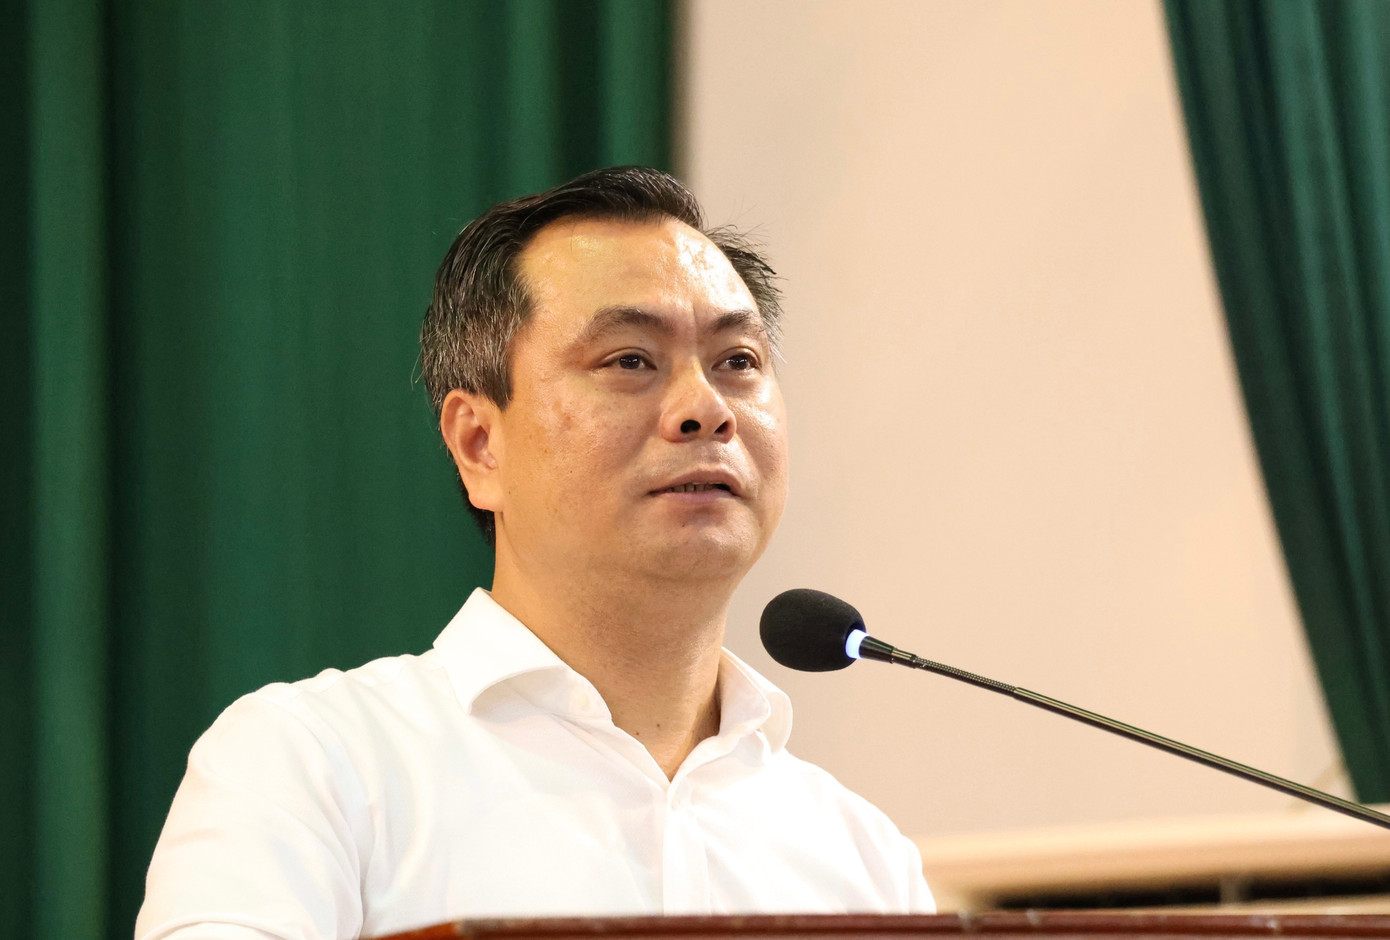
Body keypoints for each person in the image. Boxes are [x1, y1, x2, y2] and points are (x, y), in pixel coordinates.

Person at [136, 167, 934, 940]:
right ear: (479, 445)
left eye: (738, 362)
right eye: (630, 360)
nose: (705, 408)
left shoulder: (862, 859)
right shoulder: (315, 766)